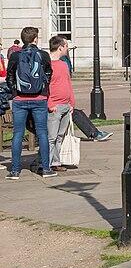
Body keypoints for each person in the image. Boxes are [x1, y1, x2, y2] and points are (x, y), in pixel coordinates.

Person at [45, 35, 77, 171]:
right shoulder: (47, 65)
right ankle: (46, 164)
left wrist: (72, 102)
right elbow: (45, 86)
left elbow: (68, 83)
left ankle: (56, 162)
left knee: (59, 136)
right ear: (60, 47)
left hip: (66, 105)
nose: (67, 49)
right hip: (55, 106)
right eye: (66, 47)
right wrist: (50, 103)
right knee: (51, 137)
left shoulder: (64, 64)